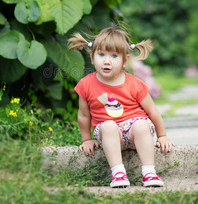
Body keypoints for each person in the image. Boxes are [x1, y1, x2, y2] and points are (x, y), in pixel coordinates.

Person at [68, 26, 175, 188]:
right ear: (92, 57)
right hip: (108, 133)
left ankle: (149, 172)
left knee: (141, 124)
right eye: (101, 54)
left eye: (114, 56)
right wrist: (87, 139)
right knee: (109, 126)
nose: (107, 61)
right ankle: (118, 173)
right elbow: (83, 115)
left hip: (135, 132)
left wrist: (162, 136)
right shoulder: (86, 84)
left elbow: (152, 111)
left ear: (125, 61)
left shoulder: (134, 83)